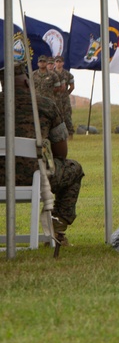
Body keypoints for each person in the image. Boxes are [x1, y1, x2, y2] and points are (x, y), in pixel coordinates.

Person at [1, 59, 84, 246]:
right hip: (36, 177)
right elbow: (61, 152)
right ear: (26, 82)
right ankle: (58, 230)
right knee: (74, 169)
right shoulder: (45, 105)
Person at [52, 56, 75, 138]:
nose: (58, 63)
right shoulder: (51, 74)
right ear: (54, 63)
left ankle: (70, 133)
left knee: (67, 115)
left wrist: (66, 93)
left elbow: (72, 87)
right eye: (56, 62)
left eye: (60, 62)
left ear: (63, 63)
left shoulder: (68, 74)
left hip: (64, 99)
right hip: (54, 98)